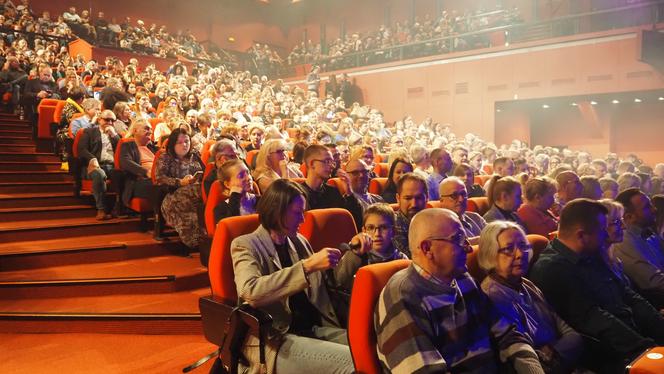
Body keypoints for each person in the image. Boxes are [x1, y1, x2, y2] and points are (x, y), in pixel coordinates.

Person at [375, 208, 544, 373]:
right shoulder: (403, 296)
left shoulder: (464, 279)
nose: (469, 248)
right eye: (458, 239)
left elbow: (508, 333)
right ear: (427, 248)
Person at [231, 179, 354, 374]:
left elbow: (328, 285)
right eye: (297, 213)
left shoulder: (298, 241)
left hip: (312, 328)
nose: (303, 220)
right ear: (277, 211)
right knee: (352, 363)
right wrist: (306, 267)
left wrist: (354, 254)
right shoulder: (245, 244)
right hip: (275, 339)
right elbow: (250, 291)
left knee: (372, 349)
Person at [529, 199, 664, 373]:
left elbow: (628, 295)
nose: (606, 236)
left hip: (634, 336)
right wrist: (645, 349)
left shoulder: (591, 254)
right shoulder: (552, 268)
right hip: (610, 354)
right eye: (602, 231)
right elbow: (592, 320)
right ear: (581, 235)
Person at [478, 221, 583, 373]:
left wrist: (553, 351)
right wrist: (560, 353)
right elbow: (526, 361)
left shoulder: (526, 284)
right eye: (509, 249)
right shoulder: (492, 296)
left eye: (523, 246)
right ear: (490, 253)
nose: (520, 254)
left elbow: (572, 335)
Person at [155, 128, 205, 255]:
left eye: (187, 141)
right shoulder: (165, 157)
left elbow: (205, 174)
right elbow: (160, 178)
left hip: (195, 192)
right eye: (180, 142)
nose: (184, 145)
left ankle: (204, 241)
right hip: (173, 194)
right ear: (173, 144)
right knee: (184, 205)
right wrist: (179, 182)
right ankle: (190, 242)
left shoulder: (195, 156)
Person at [613, 188, 664, 309]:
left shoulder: (648, 233)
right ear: (629, 217)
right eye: (647, 207)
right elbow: (652, 282)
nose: (654, 209)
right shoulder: (624, 241)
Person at [300, 144, 364, 231]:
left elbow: (354, 222)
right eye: (327, 161)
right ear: (312, 164)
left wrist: (349, 192)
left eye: (332, 162)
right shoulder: (298, 194)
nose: (332, 166)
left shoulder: (333, 192)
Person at [77, 109, 119, 220]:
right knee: (99, 174)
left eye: (112, 120)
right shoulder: (89, 132)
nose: (110, 123)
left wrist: (114, 136)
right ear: (100, 120)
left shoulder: (116, 135)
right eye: (107, 120)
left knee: (125, 174)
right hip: (94, 166)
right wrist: (92, 158)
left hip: (112, 166)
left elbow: (122, 151)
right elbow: (81, 149)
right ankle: (101, 209)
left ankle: (117, 208)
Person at [119, 118, 156, 213]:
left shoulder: (153, 148)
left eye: (151, 129)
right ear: (135, 130)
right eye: (147, 129)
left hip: (158, 179)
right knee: (161, 187)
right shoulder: (128, 146)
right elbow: (125, 162)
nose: (150, 131)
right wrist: (146, 172)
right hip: (139, 182)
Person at [392, 172, 428, 258]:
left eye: (419, 198)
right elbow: (413, 260)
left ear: (427, 198)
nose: (414, 204)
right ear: (398, 198)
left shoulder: (435, 223)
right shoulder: (392, 226)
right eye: (408, 198)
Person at [212, 159, 258, 224]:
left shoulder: (260, 200)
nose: (248, 178)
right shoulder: (221, 209)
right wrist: (235, 196)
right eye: (241, 176)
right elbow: (232, 229)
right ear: (227, 184)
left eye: (248, 173)